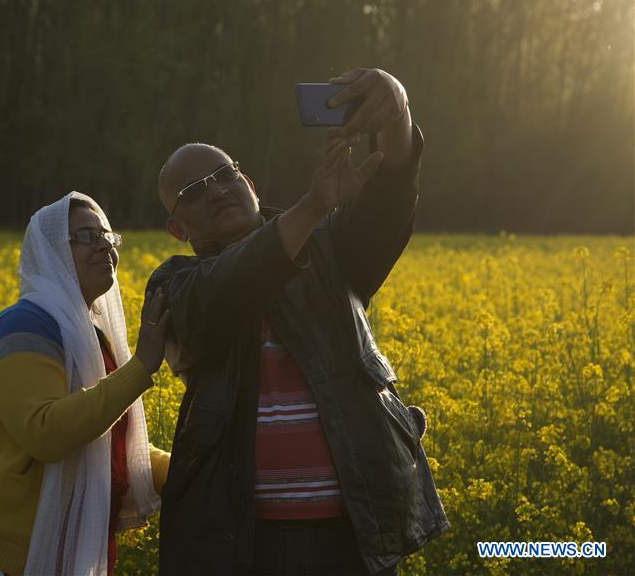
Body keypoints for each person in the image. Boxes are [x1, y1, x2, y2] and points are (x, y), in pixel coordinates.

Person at [147, 68, 449, 575]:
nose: (218, 190)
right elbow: (224, 289)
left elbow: (390, 198)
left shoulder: (330, 249)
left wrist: (396, 111)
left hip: (353, 529)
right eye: (196, 191)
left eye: (227, 174)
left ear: (250, 182)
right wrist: (312, 207)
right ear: (177, 228)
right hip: (244, 540)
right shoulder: (173, 285)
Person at [0, 192, 171, 576]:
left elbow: (110, 443)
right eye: (85, 236)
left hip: (53, 553)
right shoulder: (22, 327)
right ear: (50, 253)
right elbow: (46, 433)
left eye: (107, 236)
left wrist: (192, 470)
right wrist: (141, 366)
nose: (103, 244)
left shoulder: (90, 338)